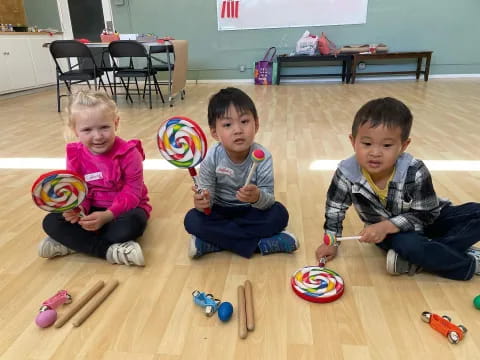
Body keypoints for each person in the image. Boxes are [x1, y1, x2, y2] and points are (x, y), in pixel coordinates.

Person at [315, 97, 480, 280]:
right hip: (394, 236)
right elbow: (335, 209)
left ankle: (423, 256)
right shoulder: (346, 173)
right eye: (367, 144)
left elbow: (428, 214)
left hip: (429, 219)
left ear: (403, 146)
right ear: (353, 141)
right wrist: (332, 241)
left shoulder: (415, 171)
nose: (375, 152)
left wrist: (389, 225)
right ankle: (467, 265)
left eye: (387, 145)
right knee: (409, 245)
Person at [38, 90, 151, 266]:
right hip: (90, 209)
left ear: (116, 123)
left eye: (104, 127)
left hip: (123, 209)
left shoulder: (130, 153)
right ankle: (109, 251)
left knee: (133, 224)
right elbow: (76, 189)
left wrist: (108, 215)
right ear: (75, 130)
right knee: (51, 222)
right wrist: (76, 210)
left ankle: (74, 243)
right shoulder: (75, 154)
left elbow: (132, 193)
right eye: (87, 130)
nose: (97, 136)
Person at [184, 87, 298, 258]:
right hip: (220, 211)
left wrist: (257, 197)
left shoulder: (263, 156)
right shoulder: (212, 157)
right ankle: (260, 245)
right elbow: (208, 201)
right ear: (215, 132)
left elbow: (268, 201)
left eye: (244, 121)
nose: (238, 130)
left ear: (256, 124)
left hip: (250, 212)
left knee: (279, 214)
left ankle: (213, 242)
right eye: (228, 125)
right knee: (192, 219)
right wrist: (203, 203)